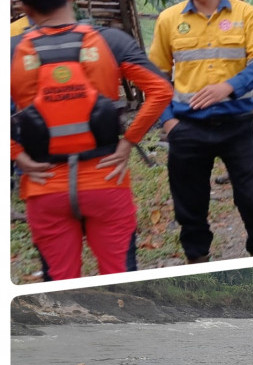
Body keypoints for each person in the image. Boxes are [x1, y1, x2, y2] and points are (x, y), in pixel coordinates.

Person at [10, 0, 173, 280]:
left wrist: (16, 153)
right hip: (106, 180)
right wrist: (128, 143)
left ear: (23, 7)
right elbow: (160, 90)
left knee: (58, 286)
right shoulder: (110, 41)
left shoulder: (11, 50)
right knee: (120, 281)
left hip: (44, 186)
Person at [149, 0, 253, 263]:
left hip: (237, 124)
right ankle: (197, 260)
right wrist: (168, 123)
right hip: (187, 128)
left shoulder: (245, 13)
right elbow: (154, 77)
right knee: (189, 204)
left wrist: (228, 87)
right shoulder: (169, 19)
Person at [215, 7, 253, 184]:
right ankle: (233, 168)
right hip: (229, 83)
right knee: (230, 123)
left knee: (251, 120)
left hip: (250, 82)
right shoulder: (225, 24)